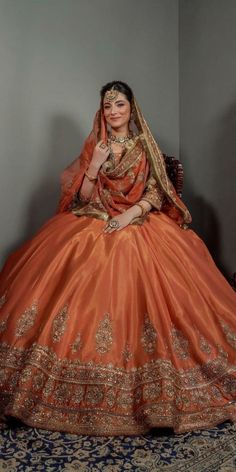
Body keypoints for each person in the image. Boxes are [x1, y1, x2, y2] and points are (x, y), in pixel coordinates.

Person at [0, 81, 235, 436]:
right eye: (107, 106)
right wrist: (94, 165)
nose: (113, 112)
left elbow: (157, 191)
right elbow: (82, 197)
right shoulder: (97, 147)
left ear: (131, 109)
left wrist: (129, 216)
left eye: (120, 105)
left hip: (139, 222)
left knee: (135, 259)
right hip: (94, 219)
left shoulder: (144, 147)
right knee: (75, 257)